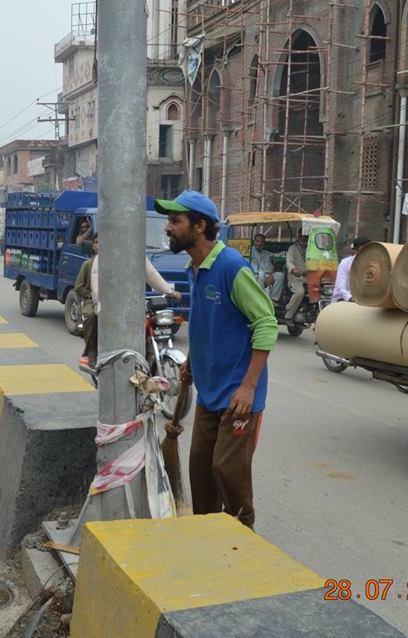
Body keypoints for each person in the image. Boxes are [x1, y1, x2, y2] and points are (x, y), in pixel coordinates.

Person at [156, 190, 277, 530]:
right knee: (200, 470)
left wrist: (248, 387)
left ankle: (242, 533)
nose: (168, 228)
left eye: (175, 221)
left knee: (228, 470)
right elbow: (207, 322)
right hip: (209, 393)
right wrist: (193, 363)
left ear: (200, 226)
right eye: (169, 220)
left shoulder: (231, 268)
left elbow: (266, 324)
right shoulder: (195, 268)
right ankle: (207, 534)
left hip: (238, 397)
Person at [84, 234, 182, 367]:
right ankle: (93, 353)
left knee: (148, 325)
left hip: (134, 303)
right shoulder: (104, 257)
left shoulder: (137, 254)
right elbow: (96, 284)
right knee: (95, 319)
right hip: (111, 303)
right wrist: (100, 303)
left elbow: (151, 274)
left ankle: (147, 358)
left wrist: (169, 291)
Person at [74, 237, 98, 366]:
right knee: (92, 316)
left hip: (111, 302)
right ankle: (90, 351)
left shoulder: (115, 265)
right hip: (91, 301)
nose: (101, 245)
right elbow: (78, 287)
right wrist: (91, 295)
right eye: (97, 242)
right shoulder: (88, 264)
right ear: (93, 246)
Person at [332, 236, 370, 303]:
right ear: (354, 251)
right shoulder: (345, 263)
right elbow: (340, 287)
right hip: (344, 300)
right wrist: (350, 298)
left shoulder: (372, 265)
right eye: (362, 250)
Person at [249, 233, 285, 302]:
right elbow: (254, 267)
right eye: (257, 241)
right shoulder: (250, 251)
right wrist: (266, 276)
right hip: (255, 275)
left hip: (266, 274)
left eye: (261, 242)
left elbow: (269, 266)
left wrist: (270, 274)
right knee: (261, 274)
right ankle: (261, 299)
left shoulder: (265, 253)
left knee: (280, 275)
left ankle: (273, 300)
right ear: (254, 242)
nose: (259, 244)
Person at [284, 232, 309, 326]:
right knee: (300, 292)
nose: (304, 237)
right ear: (298, 235)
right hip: (297, 277)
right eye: (302, 235)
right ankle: (288, 314)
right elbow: (289, 261)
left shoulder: (312, 248)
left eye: (306, 235)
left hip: (311, 277)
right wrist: (293, 269)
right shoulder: (293, 248)